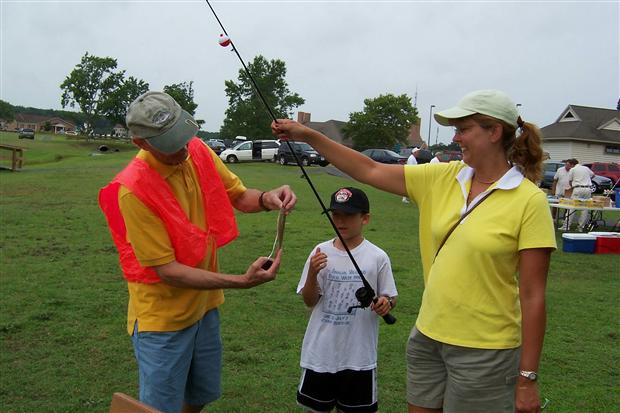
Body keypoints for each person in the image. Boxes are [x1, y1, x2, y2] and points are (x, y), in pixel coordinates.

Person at [272, 89, 556, 413]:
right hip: (427, 338)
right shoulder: (443, 177)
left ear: (494, 132)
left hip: (487, 349)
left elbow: (533, 296)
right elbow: (369, 170)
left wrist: (527, 378)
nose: (456, 137)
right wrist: (308, 135)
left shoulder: (529, 200)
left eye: (464, 129)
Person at [99, 91, 296, 413]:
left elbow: (239, 194)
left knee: (199, 396)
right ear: (142, 143)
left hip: (205, 307)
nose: (180, 150)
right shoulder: (132, 191)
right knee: (160, 408)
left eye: (182, 137)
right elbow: (168, 271)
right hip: (162, 320)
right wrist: (239, 281)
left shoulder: (198, 150)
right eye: (169, 144)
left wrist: (266, 198)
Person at [296, 187, 398, 413]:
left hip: (359, 356)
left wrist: (385, 303)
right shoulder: (320, 251)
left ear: (365, 219)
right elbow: (309, 301)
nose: (340, 221)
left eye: (348, 215)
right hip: (320, 353)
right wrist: (312, 273)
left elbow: (390, 296)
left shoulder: (377, 256)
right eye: (336, 215)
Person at [566, 159, 595, 231]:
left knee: (572, 207)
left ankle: (566, 226)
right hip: (588, 189)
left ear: (572, 164)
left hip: (578, 188)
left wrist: (573, 185)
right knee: (585, 209)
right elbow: (593, 175)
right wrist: (586, 180)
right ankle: (580, 227)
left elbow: (570, 181)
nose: (568, 166)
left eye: (568, 165)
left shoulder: (573, 169)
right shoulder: (586, 168)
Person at [552, 159, 575, 229]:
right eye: (566, 165)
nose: (567, 166)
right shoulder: (560, 170)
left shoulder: (573, 171)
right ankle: (553, 219)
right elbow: (555, 180)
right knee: (555, 205)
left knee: (567, 206)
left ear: (571, 165)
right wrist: (553, 190)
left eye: (568, 165)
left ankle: (565, 219)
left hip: (568, 191)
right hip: (559, 190)